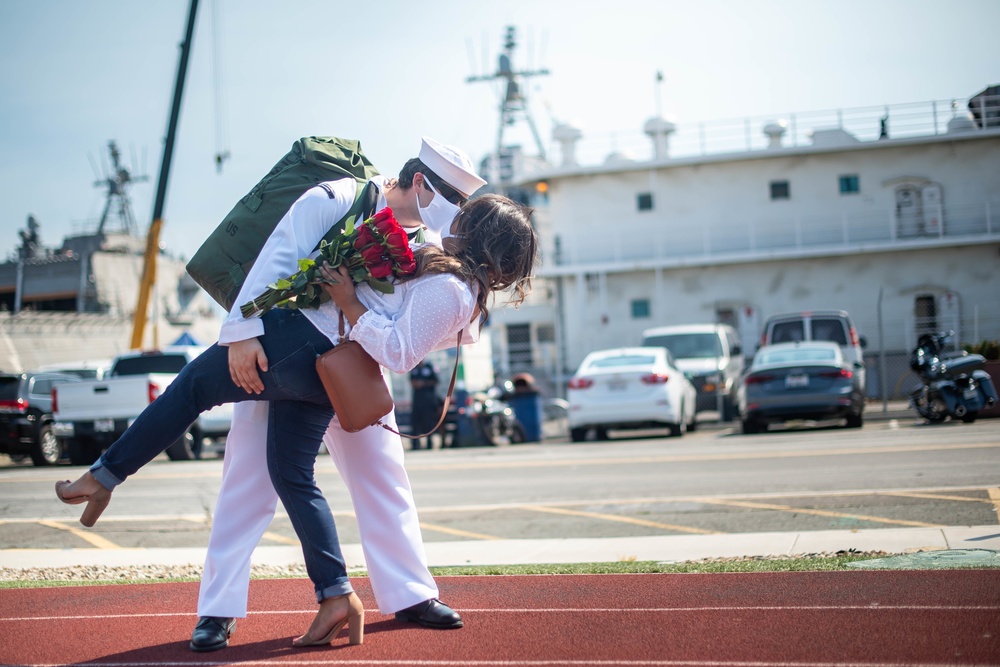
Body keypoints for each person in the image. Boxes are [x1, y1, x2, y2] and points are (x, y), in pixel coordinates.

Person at [55, 192, 539, 648]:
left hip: (306, 345)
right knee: (288, 476)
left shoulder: (453, 286)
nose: (453, 215)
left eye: (465, 213)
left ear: (478, 235)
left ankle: (105, 475)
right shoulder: (429, 252)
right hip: (327, 369)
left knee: (191, 389)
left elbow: (398, 349)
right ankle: (332, 594)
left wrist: (310, 310)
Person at [189, 138, 489, 652]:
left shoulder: (427, 245)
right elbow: (273, 262)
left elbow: (428, 321)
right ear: (420, 181)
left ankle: (411, 593)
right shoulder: (336, 197)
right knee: (246, 481)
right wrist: (240, 334)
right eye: (450, 199)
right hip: (279, 359)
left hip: (357, 368)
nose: (453, 214)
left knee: (384, 477)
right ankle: (217, 609)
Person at [408, 359, 441, 450]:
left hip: (428, 401)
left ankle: (429, 444)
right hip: (417, 401)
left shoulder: (430, 367)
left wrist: (423, 384)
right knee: (415, 423)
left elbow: (436, 381)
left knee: (428, 423)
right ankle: (415, 445)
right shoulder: (414, 368)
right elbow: (412, 381)